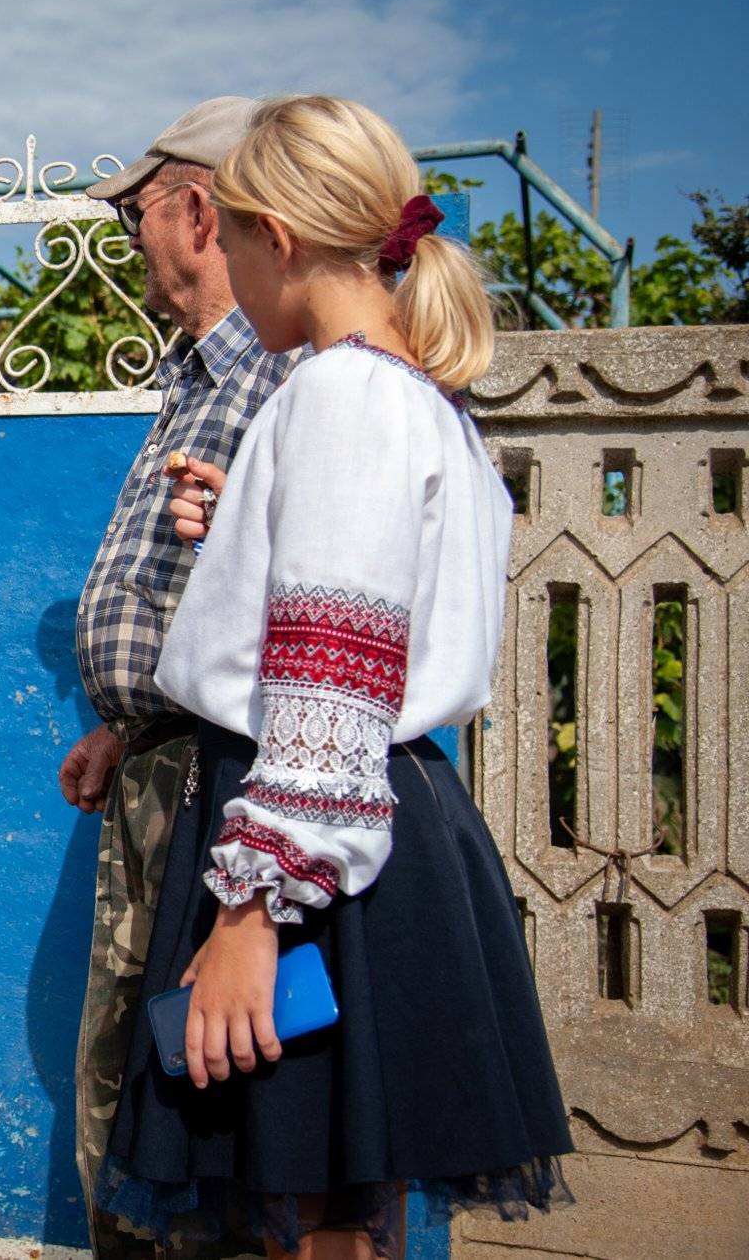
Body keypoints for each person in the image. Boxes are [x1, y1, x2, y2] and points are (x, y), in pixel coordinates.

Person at [97, 96, 573, 1260]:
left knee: (307, 1225)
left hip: (308, 845)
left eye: (237, 243)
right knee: (335, 1216)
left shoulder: (339, 394)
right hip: (373, 827)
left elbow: (331, 675)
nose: (231, 273)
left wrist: (254, 909)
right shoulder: (423, 403)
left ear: (278, 237)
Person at [61, 96, 298, 1260]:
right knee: (136, 1068)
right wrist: (125, 720)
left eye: (139, 214)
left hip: (232, 785)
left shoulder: (287, 377)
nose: (133, 240)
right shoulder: (197, 375)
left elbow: (305, 610)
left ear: (197, 209)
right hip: (161, 763)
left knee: (198, 1080)